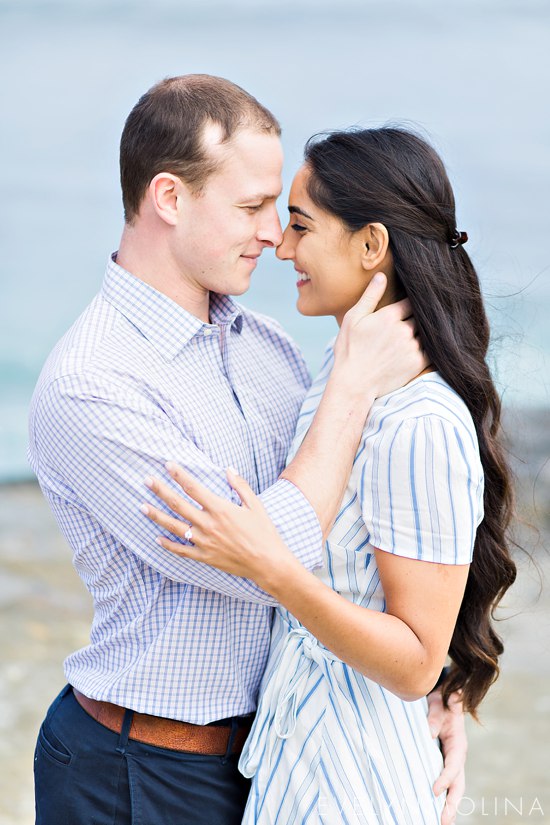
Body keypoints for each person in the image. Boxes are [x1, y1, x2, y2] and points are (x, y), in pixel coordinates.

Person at [28, 75, 465, 825]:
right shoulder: (92, 384)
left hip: (269, 756)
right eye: (252, 207)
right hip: (139, 768)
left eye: (281, 210)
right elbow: (272, 561)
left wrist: (439, 683)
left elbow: (351, 545)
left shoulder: (266, 349)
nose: (275, 234)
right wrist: (353, 389)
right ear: (169, 198)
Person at [142, 126, 517, 824]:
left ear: (371, 245)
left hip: (352, 783)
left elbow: (413, 660)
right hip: (299, 757)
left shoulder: (419, 419)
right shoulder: (342, 376)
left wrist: (271, 567)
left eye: (300, 226)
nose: (281, 246)